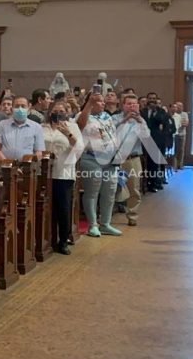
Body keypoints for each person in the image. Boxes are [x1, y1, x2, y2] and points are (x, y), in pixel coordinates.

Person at [77, 91, 122, 237]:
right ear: (91, 101)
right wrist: (89, 104)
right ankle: (92, 225)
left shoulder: (106, 116)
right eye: (100, 101)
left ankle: (106, 224)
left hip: (110, 160)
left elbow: (112, 134)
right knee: (92, 192)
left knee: (109, 191)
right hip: (91, 158)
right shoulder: (83, 115)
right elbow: (79, 126)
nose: (104, 103)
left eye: (104, 101)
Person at [42, 101, 83, 254]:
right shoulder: (42, 127)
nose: (58, 113)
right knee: (46, 206)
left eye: (62, 110)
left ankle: (63, 240)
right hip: (43, 172)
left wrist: (68, 134)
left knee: (63, 207)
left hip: (63, 172)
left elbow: (79, 149)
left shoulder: (72, 127)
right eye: (55, 110)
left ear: (67, 112)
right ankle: (47, 238)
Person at [112, 95, 150, 226]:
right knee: (111, 188)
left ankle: (132, 215)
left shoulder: (141, 120)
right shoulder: (115, 118)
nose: (131, 106)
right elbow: (110, 133)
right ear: (123, 105)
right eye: (129, 104)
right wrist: (124, 120)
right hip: (116, 158)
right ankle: (107, 216)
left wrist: (139, 121)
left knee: (134, 189)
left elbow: (146, 138)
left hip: (133, 158)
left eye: (134, 104)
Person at [0, 96, 45, 160]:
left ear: (29, 108)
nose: (20, 109)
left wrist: (27, 165)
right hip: (5, 166)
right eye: (17, 106)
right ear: (12, 109)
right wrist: (7, 163)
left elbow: (39, 152)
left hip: (27, 167)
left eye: (23, 106)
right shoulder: (2, 125)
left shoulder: (36, 127)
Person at [173, 102, 188, 170]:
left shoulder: (185, 114)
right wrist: (179, 123)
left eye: (180, 106)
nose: (179, 107)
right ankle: (175, 165)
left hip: (183, 134)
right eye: (178, 106)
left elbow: (186, 124)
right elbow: (173, 124)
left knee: (181, 150)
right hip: (175, 135)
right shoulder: (174, 114)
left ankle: (180, 165)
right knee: (175, 151)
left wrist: (178, 123)